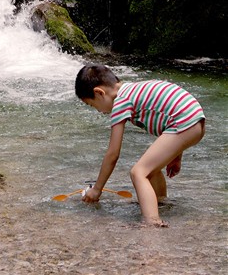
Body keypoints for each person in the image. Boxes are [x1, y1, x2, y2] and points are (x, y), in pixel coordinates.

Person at [74, 63, 205, 227]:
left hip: (185, 122)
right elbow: (170, 111)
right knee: (150, 169)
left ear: (99, 93)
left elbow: (113, 154)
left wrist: (97, 189)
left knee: (138, 172)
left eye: (93, 105)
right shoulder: (132, 90)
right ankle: (159, 204)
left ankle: (152, 223)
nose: (99, 111)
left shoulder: (120, 102)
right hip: (194, 119)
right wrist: (176, 155)